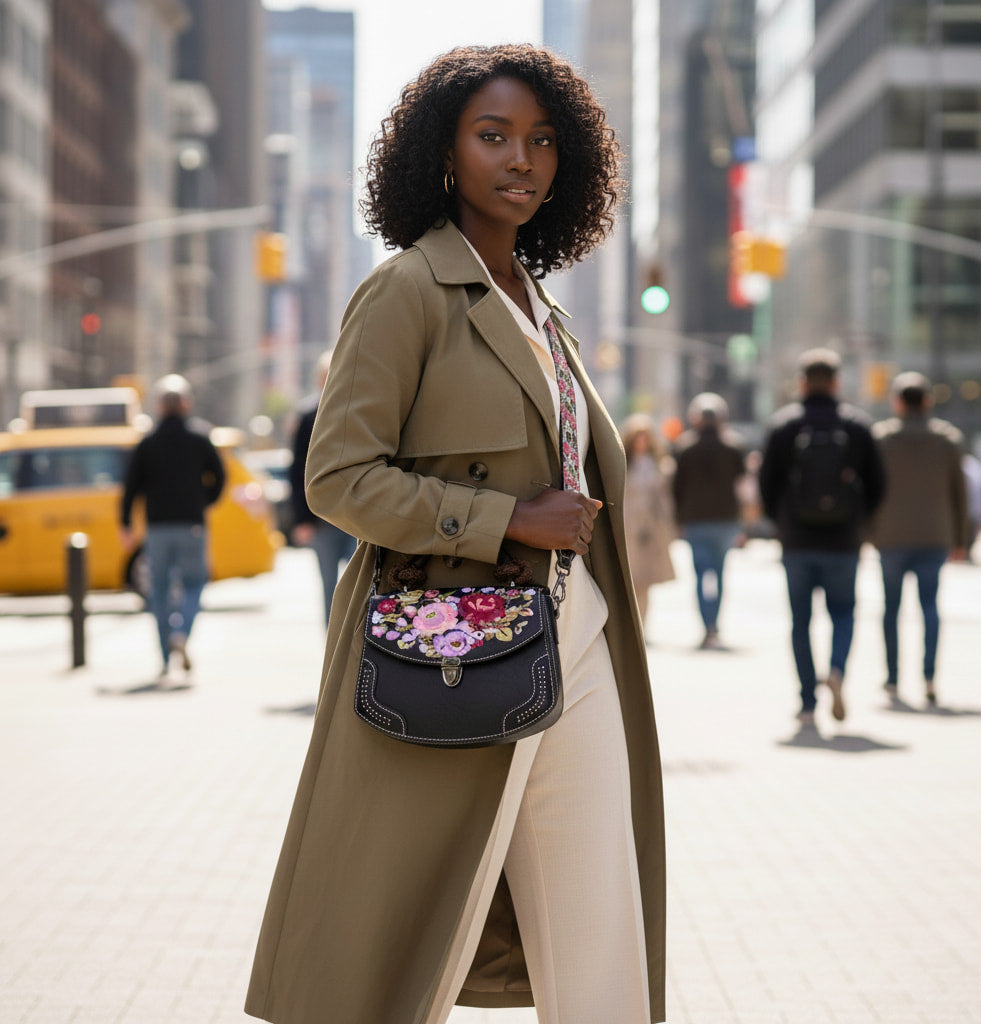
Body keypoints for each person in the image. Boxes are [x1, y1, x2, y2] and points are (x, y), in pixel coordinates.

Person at [245, 45, 665, 1024]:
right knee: (407, 937)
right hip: (451, 646)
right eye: (493, 136)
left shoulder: (543, 309)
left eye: (542, 140)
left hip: (579, 636)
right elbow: (337, 477)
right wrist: (505, 517)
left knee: (600, 926)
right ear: (443, 153)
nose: (522, 159)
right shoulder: (406, 292)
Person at [758, 349, 886, 725]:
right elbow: (878, 484)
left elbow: (766, 484)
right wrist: (860, 520)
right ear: (836, 382)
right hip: (843, 541)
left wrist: (781, 521)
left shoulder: (784, 425)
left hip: (797, 540)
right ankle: (837, 671)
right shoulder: (857, 425)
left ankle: (807, 703)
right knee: (843, 613)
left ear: (802, 383)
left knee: (800, 622)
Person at [870, 372, 969, 705]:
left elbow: (869, 489)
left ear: (897, 402)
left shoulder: (882, 439)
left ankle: (892, 678)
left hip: (890, 535)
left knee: (891, 609)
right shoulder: (947, 440)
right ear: (927, 401)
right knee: (929, 607)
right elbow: (960, 493)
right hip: (934, 534)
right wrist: (961, 539)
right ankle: (928, 677)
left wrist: (869, 531)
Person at [119, 374, 225, 682]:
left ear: (159, 406)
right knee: (194, 583)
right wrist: (204, 501)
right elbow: (220, 478)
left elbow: (130, 487)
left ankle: (166, 657)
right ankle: (181, 632)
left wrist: (126, 524)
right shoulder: (201, 438)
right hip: (192, 525)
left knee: (160, 591)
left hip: (158, 528)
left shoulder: (148, 442)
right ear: (186, 403)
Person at [671, 392, 746, 649]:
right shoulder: (733, 446)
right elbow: (742, 485)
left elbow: (677, 488)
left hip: (696, 520)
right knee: (720, 574)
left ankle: (707, 625)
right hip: (725, 519)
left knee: (702, 575)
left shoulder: (685, 448)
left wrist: (678, 519)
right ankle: (714, 625)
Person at [288, 349, 357, 625]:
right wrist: (302, 519)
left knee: (359, 583)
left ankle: (357, 639)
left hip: (357, 514)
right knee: (329, 583)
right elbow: (298, 470)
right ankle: (333, 638)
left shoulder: (358, 409)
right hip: (322, 517)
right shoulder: (308, 416)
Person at [620, 413, 676, 627]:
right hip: (627, 526)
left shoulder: (661, 465)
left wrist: (668, 527)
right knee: (628, 579)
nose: (642, 442)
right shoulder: (623, 464)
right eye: (638, 437)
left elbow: (665, 499)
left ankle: (641, 624)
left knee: (644, 581)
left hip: (651, 528)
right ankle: (629, 624)